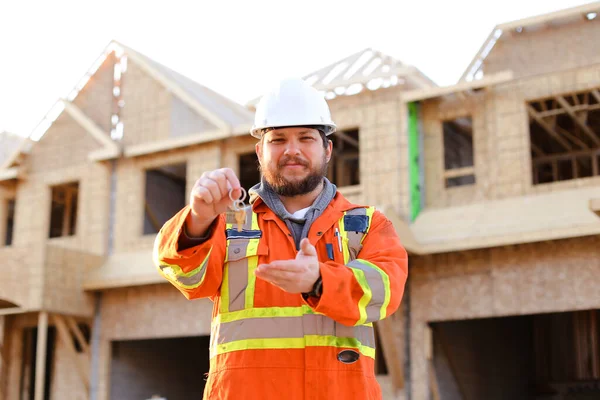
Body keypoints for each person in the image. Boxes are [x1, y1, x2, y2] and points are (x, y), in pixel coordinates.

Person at [153, 78, 408, 399]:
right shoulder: (232, 222)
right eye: (278, 140)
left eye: (305, 138)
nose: (292, 149)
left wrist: (320, 281)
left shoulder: (364, 223)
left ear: (327, 148)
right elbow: (189, 278)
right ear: (260, 150)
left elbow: (385, 293)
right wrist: (199, 218)